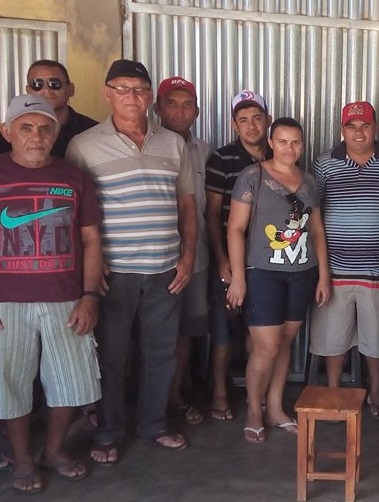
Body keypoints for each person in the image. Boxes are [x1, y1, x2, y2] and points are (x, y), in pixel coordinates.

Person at [66, 59, 197, 466]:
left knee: (161, 353)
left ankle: (154, 424)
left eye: (140, 89)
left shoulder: (172, 144)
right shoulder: (84, 145)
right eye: (122, 88)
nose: (132, 97)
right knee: (112, 356)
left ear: (150, 98)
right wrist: (90, 265)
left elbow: (187, 206)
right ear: (107, 92)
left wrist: (188, 257)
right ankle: (107, 432)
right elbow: (73, 212)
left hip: (165, 271)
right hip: (115, 273)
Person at [0, 94, 102, 494]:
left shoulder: (73, 176)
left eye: (45, 128)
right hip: (7, 302)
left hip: (66, 298)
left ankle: (53, 451)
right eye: (25, 127)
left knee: (70, 382)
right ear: (7, 132)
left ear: (56, 132)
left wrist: (90, 295)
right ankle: (23, 458)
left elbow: (91, 240)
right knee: (10, 383)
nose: (36, 135)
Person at [226, 117, 330, 443]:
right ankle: (254, 409)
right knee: (266, 345)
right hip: (262, 272)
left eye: (296, 142)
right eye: (283, 141)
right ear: (272, 142)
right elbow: (235, 229)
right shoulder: (252, 176)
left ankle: (274, 407)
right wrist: (239, 278)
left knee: (285, 340)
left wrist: (323, 275)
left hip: (301, 272)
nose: (290, 148)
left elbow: (315, 231)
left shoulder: (310, 182)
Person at [310, 101, 379, 420]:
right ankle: (334, 394)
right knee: (333, 336)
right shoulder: (324, 164)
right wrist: (320, 266)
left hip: (378, 268)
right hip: (334, 268)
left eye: (365, 126)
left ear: (376, 128)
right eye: (351, 126)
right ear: (341, 130)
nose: (358, 132)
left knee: (376, 339)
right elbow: (314, 214)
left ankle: (375, 393)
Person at [204, 90, 272, 421]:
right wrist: (222, 260)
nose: (251, 126)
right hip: (231, 258)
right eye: (243, 120)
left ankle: (254, 398)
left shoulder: (280, 154)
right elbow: (213, 214)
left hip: (266, 260)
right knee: (223, 330)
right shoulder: (222, 158)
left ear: (268, 121)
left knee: (256, 332)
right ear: (234, 125)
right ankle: (219, 392)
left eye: (257, 118)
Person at [154, 76, 213, 426]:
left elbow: (207, 209)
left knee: (188, 330)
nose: (179, 111)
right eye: (171, 103)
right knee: (151, 333)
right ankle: (150, 404)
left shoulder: (205, 152)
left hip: (196, 260)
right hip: (151, 259)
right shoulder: (145, 145)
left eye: (187, 104)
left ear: (198, 111)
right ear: (157, 107)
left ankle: (174, 398)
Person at [0, 60, 98, 158]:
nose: (46, 90)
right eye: (37, 84)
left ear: (70, 89)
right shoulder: (10, 133)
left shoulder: (93, 131)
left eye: (54, 83)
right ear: (28, 91)